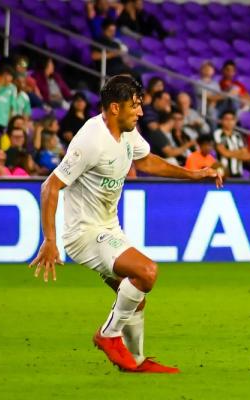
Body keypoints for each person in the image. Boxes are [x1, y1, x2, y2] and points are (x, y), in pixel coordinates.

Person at [28, 75, 222, 374]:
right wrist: (49, 240)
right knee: (147, 272)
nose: (141, 112)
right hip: (84, 233)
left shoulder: (128, 132)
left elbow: (148, 162)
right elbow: (49, 187)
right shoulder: (90, 140)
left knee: (133, 298)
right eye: (135, 106)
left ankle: (136, 362)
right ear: (115, 108)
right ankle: (107, 334)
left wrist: (193, 174)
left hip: (108, 227)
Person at [213, 110, 250, 178]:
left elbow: (247, 155)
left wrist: (229, 153)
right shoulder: (218, 133)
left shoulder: (238, 135)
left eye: (232, 119)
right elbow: (224, 153)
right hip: (223, 173)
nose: (229, 122)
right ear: (221, 121)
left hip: (238, 173)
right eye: (226, 119)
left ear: (235, 121)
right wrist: (239, 153)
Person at [0, 64, 18, 130]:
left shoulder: (13, 88)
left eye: (11, 76)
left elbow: (12, 107)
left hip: (3, 122)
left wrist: (9, 123)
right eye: (7, 75)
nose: (10, 78)